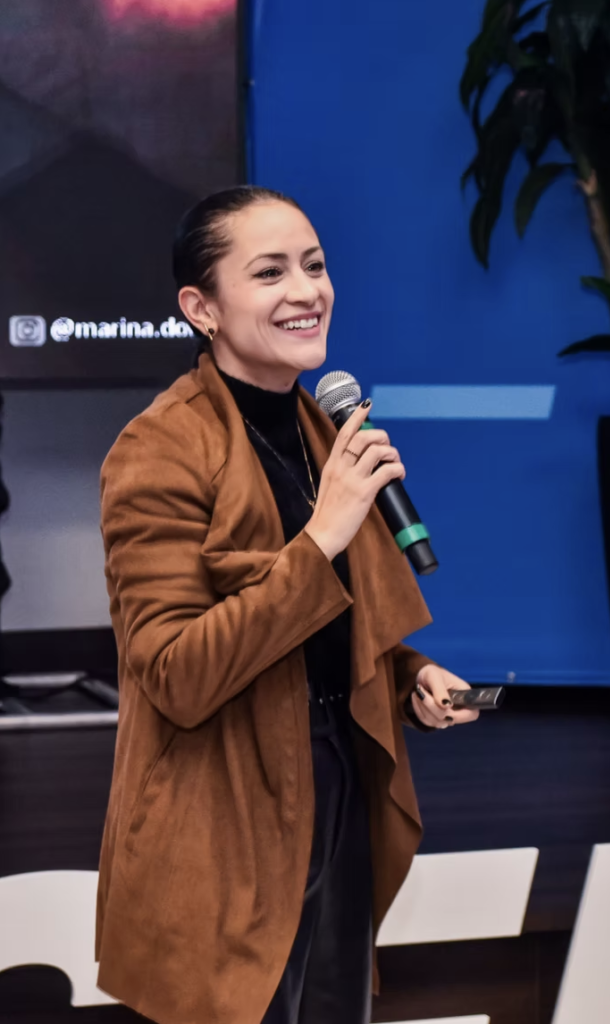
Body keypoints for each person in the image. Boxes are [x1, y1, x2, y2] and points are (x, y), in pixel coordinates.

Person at [94, 185, 480, 1024]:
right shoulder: (157, 449)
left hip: (338, 774)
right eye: (269, 273)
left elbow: (330, 617)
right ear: (201, 308)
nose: (307, 291)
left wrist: (408, 674)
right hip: (222, 806)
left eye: (315, 265)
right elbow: (176, 674)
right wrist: (323, 535)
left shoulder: (324, 427)